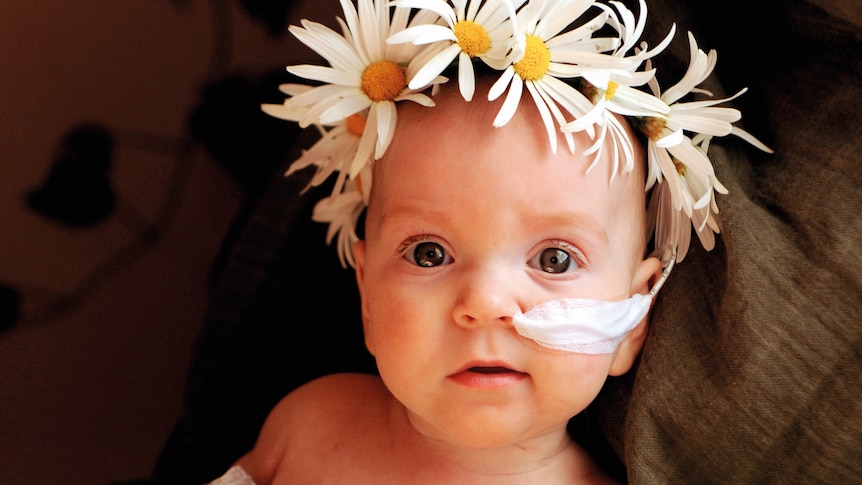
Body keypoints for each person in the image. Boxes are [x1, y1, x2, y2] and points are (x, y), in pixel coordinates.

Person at [209, 0, 769, 483]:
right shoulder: (311, 425)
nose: (484, 303)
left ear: (634, 318)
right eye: (429, 253)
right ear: (368, 300)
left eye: (554, 258)